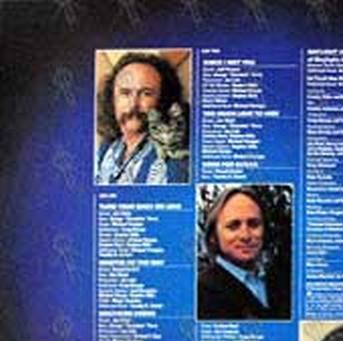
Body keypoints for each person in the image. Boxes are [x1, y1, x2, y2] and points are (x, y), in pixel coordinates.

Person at [96, 52, 189, 184]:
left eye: (146, 93)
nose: (133, 104)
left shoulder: (174, 163)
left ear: (163, 99)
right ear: (112, 99)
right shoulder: (106, 149)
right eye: (125, 93)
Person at [198, 187, 291, 320]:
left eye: (254, 224)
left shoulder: (280, 281)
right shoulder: (202, 292)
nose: (245, 236)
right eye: (233, 226)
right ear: (213, 236)